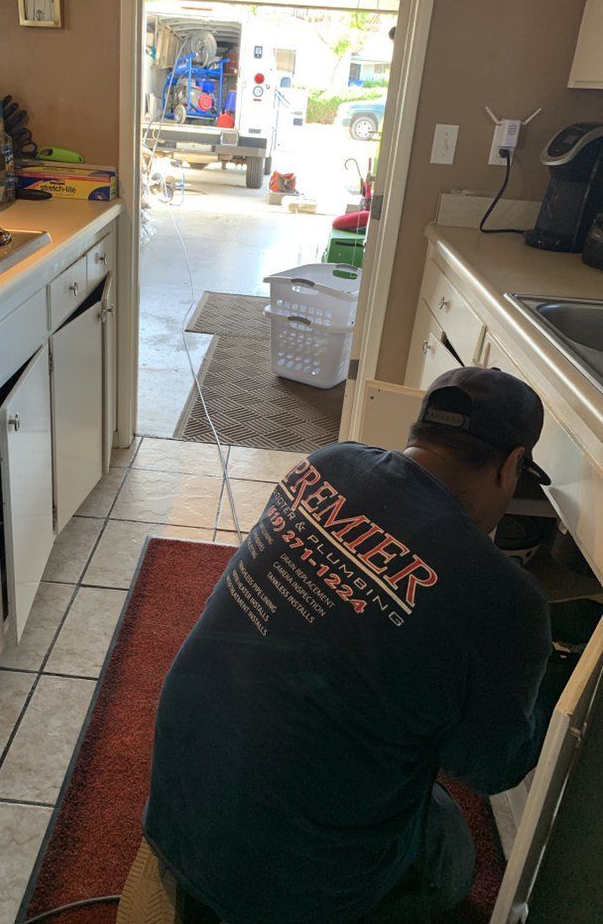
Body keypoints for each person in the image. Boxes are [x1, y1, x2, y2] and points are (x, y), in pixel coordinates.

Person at [118, 368, 559, 924]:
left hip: (177, 813)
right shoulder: (507, 602)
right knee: (451, 842)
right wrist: (541, 692)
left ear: (418, 430)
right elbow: (490, 769)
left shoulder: (329, 462)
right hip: (299, 889)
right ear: (513, 464)